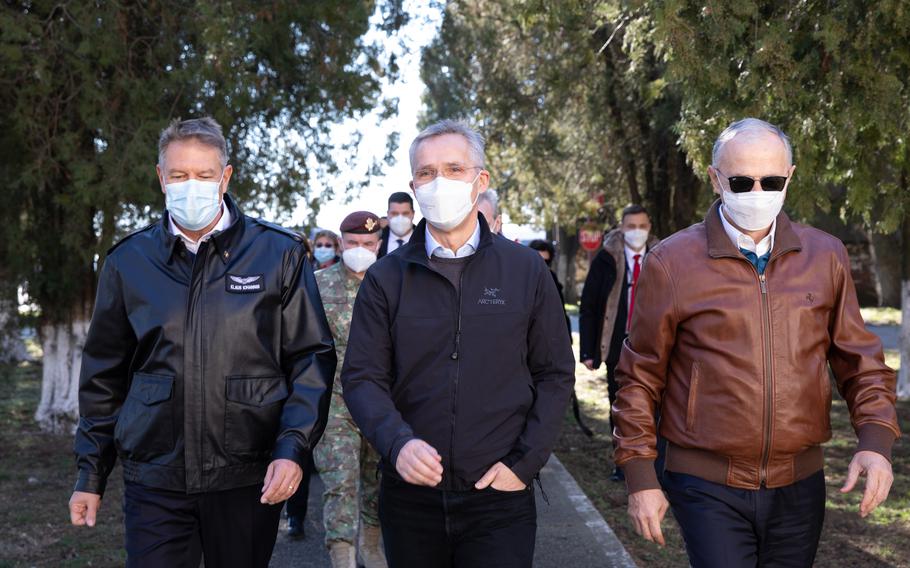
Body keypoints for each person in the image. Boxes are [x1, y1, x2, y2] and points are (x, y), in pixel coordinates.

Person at [614, 118, 901, 567]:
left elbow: (859, 361)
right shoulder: (671, 262)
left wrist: (875, 442)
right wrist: (639, 476)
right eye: (741, 181)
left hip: (799, 484)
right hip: (704, 482)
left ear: (789, 176)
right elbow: (638, 376)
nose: (757, 192)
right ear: (714, 178)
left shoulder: (826, 255)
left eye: (770, 180)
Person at [68, 117, 336, 567]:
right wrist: (90, 473)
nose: (190, 185)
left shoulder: (279, 253)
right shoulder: (128, 261)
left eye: (204, 175)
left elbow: (310, 359)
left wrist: (293, 450)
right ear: (161, 177)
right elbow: (104, 376)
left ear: (225, 176)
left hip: (248, 476)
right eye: (178, 175)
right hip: (155, 477)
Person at [341, 120, 575, 568]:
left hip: (498, 496)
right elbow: (362, 377)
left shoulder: (526, 271)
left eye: (453, 168)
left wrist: (523, 465)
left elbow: (555, 373)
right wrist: (397, 444)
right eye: (426, 173)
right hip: (410, 498)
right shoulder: (385, 278)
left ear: (479, 180)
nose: (439, 182)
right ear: (413, 186)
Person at [313, 211, 388, 568]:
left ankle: (371, 548)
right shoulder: (316, 285)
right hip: (334, 402)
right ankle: (341, 555)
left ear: (379, 245)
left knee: (378, 481)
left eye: (368, 244)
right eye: (354, 243)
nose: (361, 249)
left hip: (382, 401)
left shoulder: (394, 283)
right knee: (339, 481)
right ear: (341, 244)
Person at [579, 205, 659, 481]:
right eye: (631, 226)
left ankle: (654, 462)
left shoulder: (662, 255)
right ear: (622, 228)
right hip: (616, 344)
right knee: (620, 403)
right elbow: (589, 305)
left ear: (649, 227)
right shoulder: (606, 258)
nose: (637, 231)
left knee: (654, 405)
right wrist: (588, 350)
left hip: (653, 346)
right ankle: (623, 462)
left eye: (642, 226)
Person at [377, 192, 416, 258]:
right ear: (388, 214)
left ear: (413, 214)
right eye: (394, 214)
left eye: (405, 213)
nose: (400, 218)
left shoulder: (424, 239)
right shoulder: (377, 240)